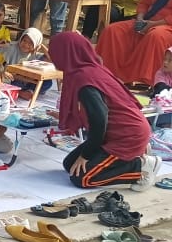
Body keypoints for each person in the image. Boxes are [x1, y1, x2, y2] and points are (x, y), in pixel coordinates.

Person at [48, 32, 160, 191]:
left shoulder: (84, 79)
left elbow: (100, 120)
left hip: (127, 136)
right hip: (114, 132)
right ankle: (132, 159)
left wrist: (86, 156)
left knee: (81, 178)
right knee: (70, 165)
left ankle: (139, 167)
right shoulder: (90, 69)